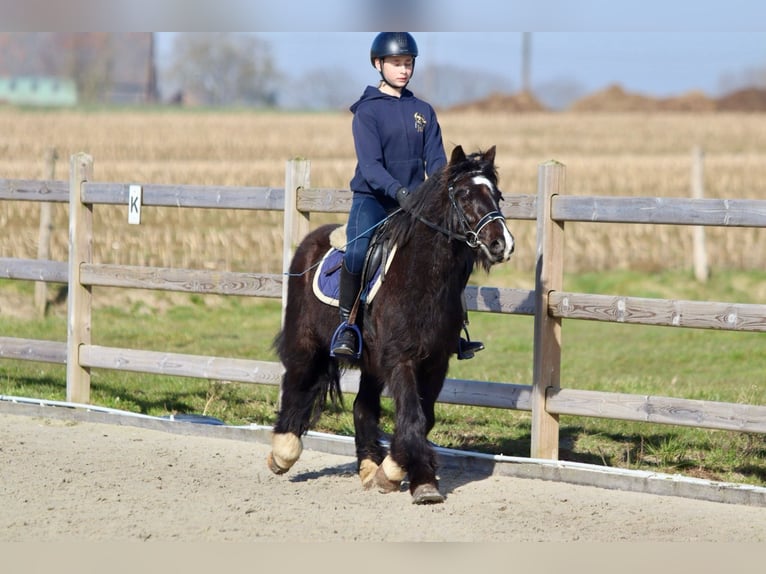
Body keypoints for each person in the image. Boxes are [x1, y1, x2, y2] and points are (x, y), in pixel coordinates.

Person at [330, 32, 484, 361]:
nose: (403, 70)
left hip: (417, 203)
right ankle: (348, 325)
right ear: (378, 64)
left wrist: (442, 191)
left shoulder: (424, 111)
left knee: (453, 252)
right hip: (374, 200)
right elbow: (371, 168)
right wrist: (401, 193)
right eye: (397, 63)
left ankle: (455, 329)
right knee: (357, 252)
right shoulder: (367, 113)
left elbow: (438, 163)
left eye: (408, 63)